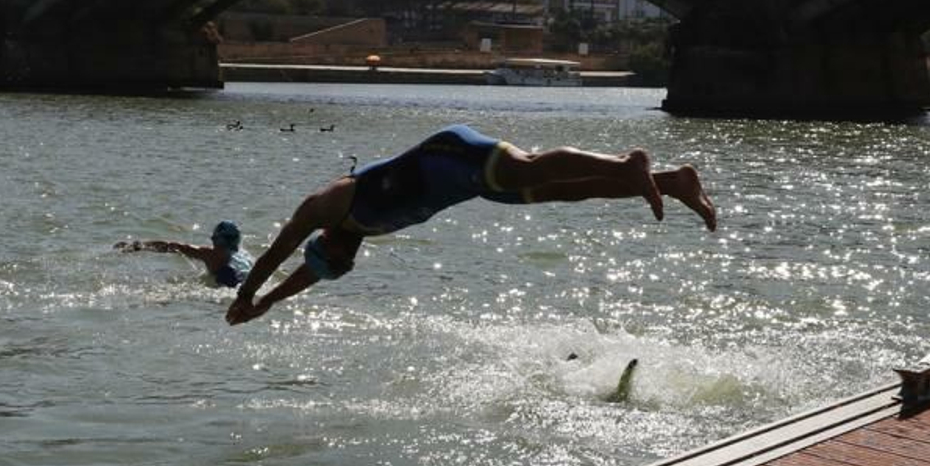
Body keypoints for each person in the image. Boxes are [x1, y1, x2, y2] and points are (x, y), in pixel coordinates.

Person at [225, 125, 716, 325]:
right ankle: (672, 181)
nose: (345, 264)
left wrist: (246, 294)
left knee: (530, 168)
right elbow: (306, 275)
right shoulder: (355, 234)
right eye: (342, 269)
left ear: (324, 240)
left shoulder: (327, 205)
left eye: (335, 260)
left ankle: (629, 163)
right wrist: (267, 304)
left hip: (451, 154)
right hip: (470, 184)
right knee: (562, 189)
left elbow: (277, 252)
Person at [116, 219, 254, 288]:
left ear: (215, 239)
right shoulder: (244, 254)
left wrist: (139, 246)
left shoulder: (210, 254)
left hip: (228, 281)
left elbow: (172, 246)